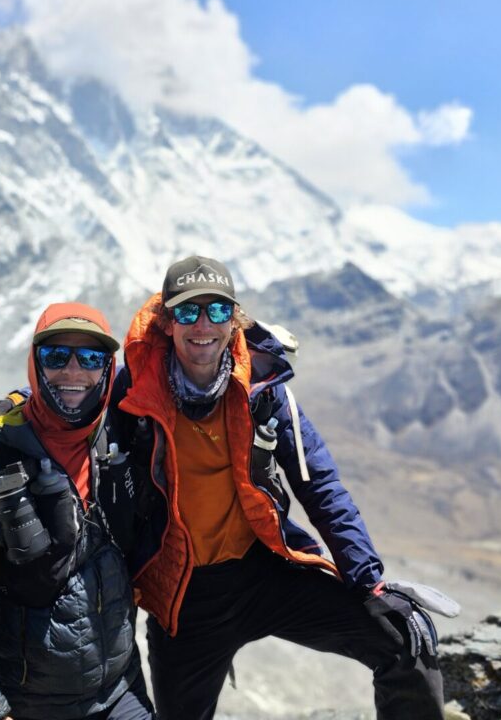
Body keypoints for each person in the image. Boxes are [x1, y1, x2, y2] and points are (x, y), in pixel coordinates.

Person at [104, 255, 458, 720]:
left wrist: (368, 579)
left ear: (235, 321)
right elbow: (73, 400)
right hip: (187, 601)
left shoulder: (263, 389)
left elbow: (321, 486)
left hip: (265, 572)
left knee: (402, 641)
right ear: (168, 323)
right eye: (188, 312)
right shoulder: (135, 392)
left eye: (217, 311)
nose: (203, 324)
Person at [0, 303, 155, 720]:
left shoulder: (122, 437)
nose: (73, 372)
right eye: (55, 356)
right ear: (35, 363)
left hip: (122, 692)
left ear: (108, 368)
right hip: (30, 706)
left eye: (90, 358)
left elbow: (186, 351)